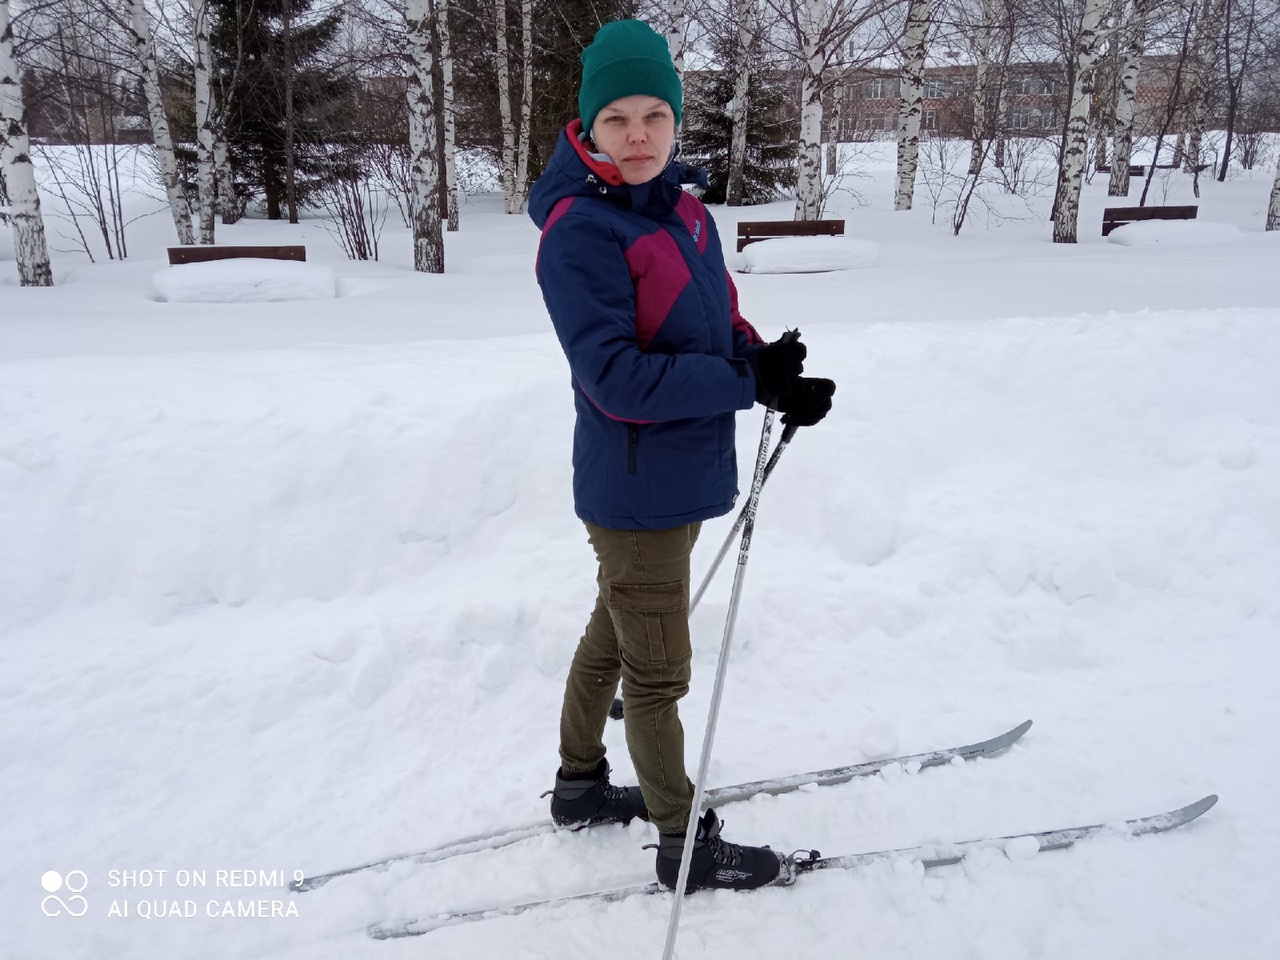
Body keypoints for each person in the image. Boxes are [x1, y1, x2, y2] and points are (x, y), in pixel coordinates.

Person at [527, 19, 835, 893]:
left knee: (611, 635)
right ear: (587, 128)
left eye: (654, 115)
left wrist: (767, 371)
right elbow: (618, 379)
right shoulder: (581, 233)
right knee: (656, 675)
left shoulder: (686, 212)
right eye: (616, 117)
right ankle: (683, 841)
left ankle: (580, 787)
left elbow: (712, 325)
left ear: (675, 120)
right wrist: (742, 383)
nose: (637, 135)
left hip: (674, 479)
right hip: (638, 489)